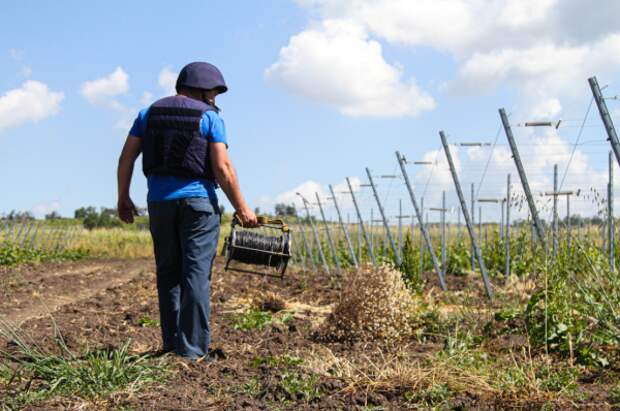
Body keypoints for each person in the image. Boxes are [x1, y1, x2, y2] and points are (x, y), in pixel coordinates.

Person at [116, 61, 258, 359]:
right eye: (214, 94)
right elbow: (222, 168)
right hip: (198, 204)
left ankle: (171, 344)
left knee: (168, 273)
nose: (215, 100)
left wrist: (123, 197)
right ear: (203, 90)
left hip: (159, 204)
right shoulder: (210, 118)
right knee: (195, 273)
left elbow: (126, 158)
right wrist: (243, 208)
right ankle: (192, 351)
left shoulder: (148, 114)